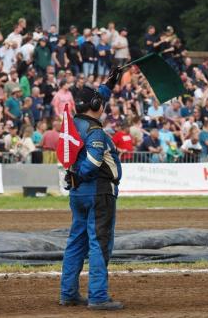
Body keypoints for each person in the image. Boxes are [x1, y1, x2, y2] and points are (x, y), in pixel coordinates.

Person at [60, 66, 123, 310]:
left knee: (76, 242)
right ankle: (98, 296)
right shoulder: (95, 131)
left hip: (78, 194)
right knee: (99, 243)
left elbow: (96, 101)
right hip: (98, 193)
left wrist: (110, 84)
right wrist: (81, 174)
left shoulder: (74, 124)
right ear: (96, 106)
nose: (103, 104)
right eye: (100, 101)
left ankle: (68, 294)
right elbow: (95, 160)